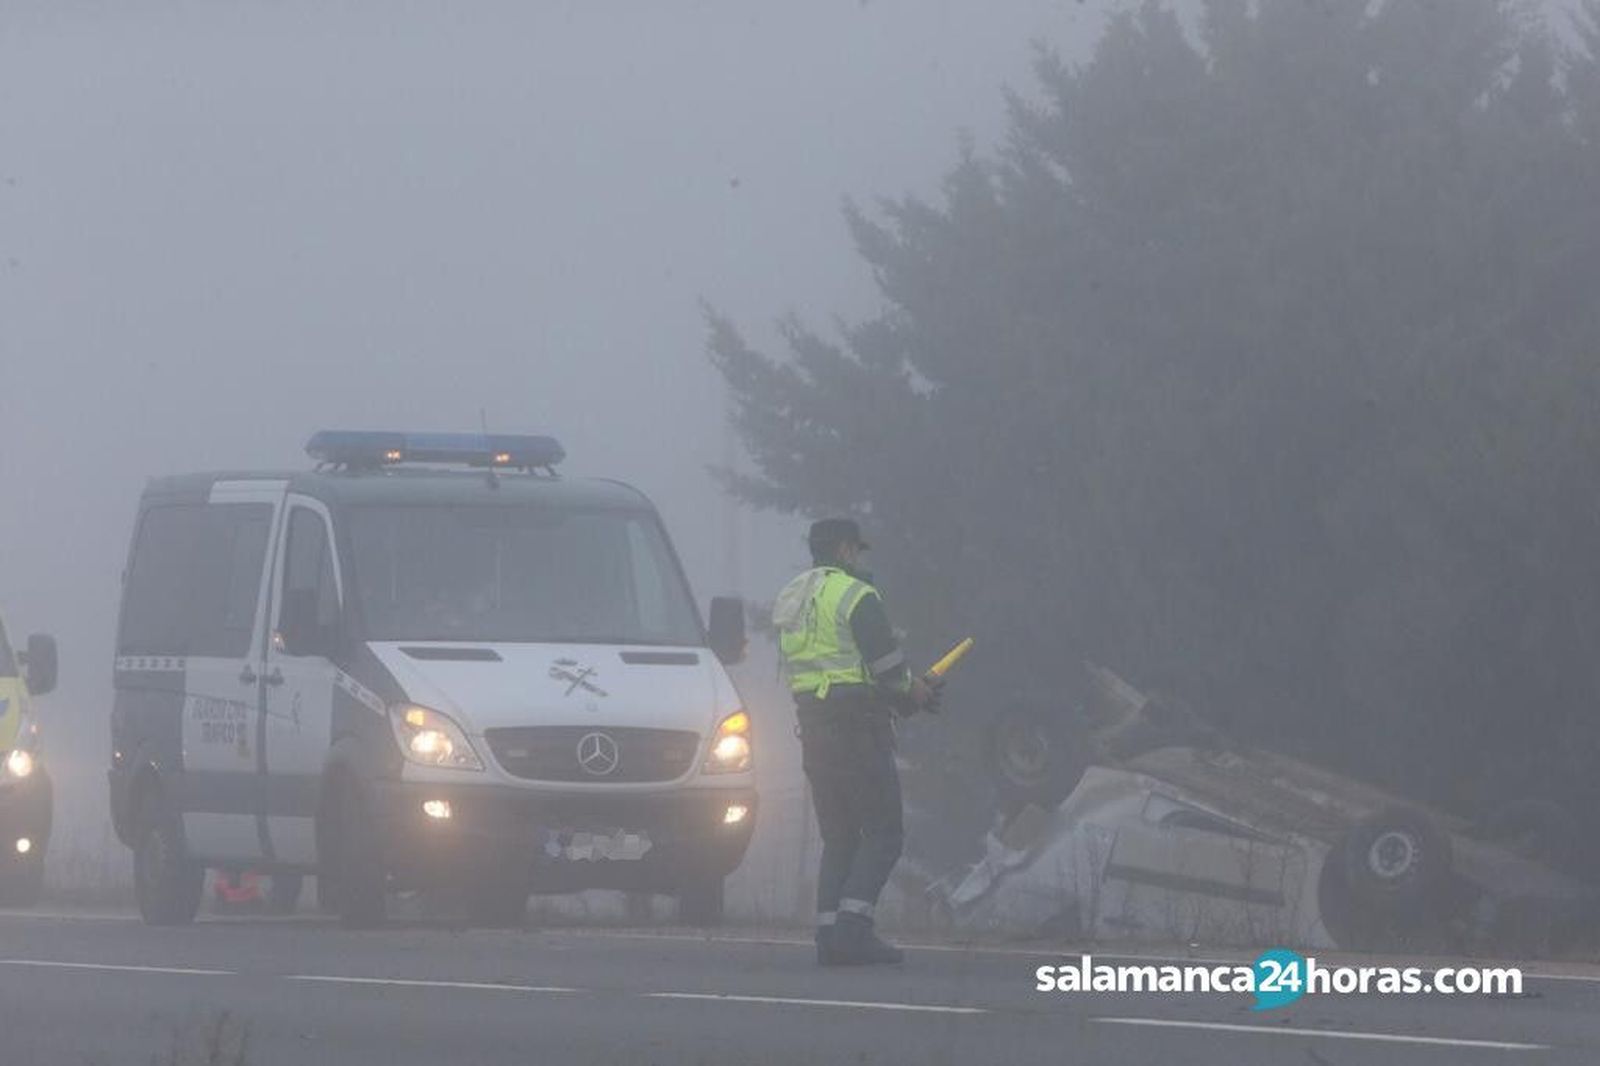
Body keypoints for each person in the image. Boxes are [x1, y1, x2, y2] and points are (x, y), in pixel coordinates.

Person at [773, 518, 938, 966]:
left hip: (813, 727)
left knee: (840, 835)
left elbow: (825, 667)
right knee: (883, 833)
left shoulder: (794, 598)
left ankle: (829, 935)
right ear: (846, 551)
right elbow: (887, 666)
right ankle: (855, 930)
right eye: (857, 552)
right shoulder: (855, 595)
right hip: (857, 728)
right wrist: (915, 691)